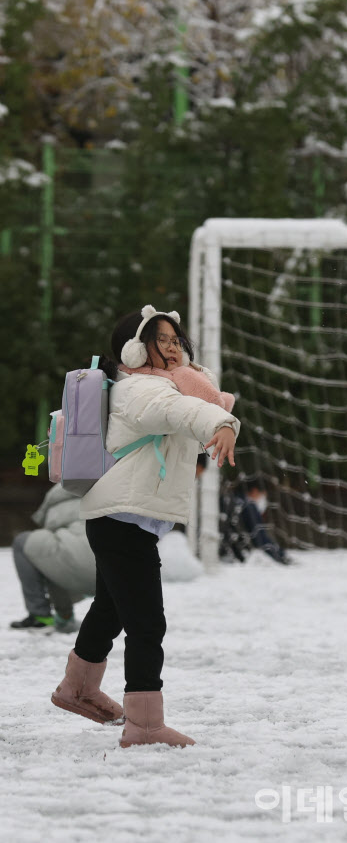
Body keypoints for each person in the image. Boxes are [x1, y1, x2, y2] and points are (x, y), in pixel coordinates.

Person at [50, 304, 240, 748]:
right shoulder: (143, 391)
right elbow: (185, 413)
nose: (173, 348)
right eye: (162, 340)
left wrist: (199, 386)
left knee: (111, 608)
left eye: (176, 340)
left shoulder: (155, 385)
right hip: (121, 520)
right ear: (135, 349)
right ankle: (145, 724)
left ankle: (76, 689)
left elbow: (194, 401)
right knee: (147, 623)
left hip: (120, 517)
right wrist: (224, 422)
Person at [10, 484, 96, 633]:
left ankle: (44, 616)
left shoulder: (57, 496)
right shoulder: (111, 489)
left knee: (38, 548)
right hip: (115, 577)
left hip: (74, 574)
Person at [218, 474, 291, 565]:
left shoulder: (229, 500)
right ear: (255, 491)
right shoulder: (248, 506)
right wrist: (281, 556)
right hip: (234, 557)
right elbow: (260, 539)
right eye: (263, 495)